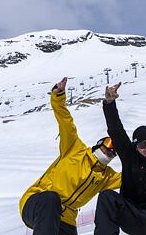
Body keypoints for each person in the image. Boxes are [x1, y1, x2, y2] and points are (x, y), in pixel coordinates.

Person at [20, 77, 121, 235]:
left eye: (114, 152)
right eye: (108, 146)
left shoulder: (106, 177)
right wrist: (58, 97)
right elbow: (66, 122)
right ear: (98, 144)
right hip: (37, 201)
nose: (110, 152)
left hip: (66, 220)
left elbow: (130, 176)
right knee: (52, 199)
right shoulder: (75, 148)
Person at [94, 82, 146, 235]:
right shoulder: (130, 157)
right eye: (142, 145)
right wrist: (109, 103)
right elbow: (116, 130)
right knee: (107, 197)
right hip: (132, 214)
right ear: (135, 147)